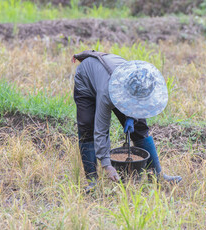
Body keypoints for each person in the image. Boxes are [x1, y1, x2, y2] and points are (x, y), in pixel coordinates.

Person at [71, 50, 182, 190]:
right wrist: (107, 165)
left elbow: (138, 102)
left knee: (139, 126)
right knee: (87, 126)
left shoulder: (139, 78)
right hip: (87, 79)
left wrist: (132, 117)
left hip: (110, 77)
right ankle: (93, 181)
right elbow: (101, 130)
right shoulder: (108, 93)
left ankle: (157, 176)